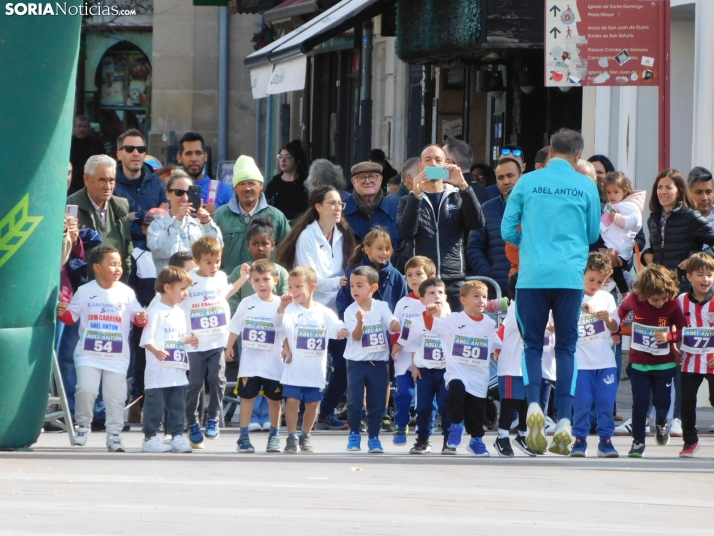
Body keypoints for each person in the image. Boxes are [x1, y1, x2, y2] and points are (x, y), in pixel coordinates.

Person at [501, 128, 601, 455]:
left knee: (532, 344)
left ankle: (532, 407)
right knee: (567, 347)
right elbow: (591, 233)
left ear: (550, 151)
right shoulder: (586, 185)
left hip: (532, 276)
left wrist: (530, 245)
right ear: (577, 156)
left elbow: (506, 229)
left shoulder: (528, 181)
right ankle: (564, 421)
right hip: (570, 277)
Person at [277, 186, 356, 430]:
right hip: (309, 312)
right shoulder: (307, 237)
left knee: (345, 361)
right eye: (332, 203)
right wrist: (339, 282)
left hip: (335, 311)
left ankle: (326, 410)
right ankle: (297, 413)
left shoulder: (343, 234)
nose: (338, 208)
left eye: (340, 204)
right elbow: (308, 279)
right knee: (303, 361)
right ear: (318, 207)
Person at [56, 245, 146, 452]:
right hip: (88, 354)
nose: (117, 269)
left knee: (115, 395)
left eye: (119, 264)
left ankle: (113, 435)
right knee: (86, 389)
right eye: (112, 264)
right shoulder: (85, 291)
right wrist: (62, 312)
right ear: (97, 267)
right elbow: (71, 318)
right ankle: (83, 427)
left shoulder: (127, 292)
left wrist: (141, 318)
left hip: (117, 356)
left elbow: (138, 317)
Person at [397, 144, 485, 312]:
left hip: (453, 278)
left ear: (446, 165)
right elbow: (406, 233)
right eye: (428, 160)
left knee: (456, 331)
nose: (434, 164)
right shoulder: (408, 200)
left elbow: (477, 223)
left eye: (438, 160)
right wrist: (416, 196)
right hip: (422, 280)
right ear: (420, 166)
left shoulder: (457, 196)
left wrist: (464, 186)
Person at [336, 227, 408, 431]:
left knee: (382, 377)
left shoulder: (395, 275)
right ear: (366, 249)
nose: (384, 252)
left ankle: (382, 412)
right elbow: (343, 302)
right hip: (359, 336)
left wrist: (395, 328)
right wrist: (348, 323)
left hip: (383, 337)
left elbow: (400, 304)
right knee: (361, 380)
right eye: (379, 248)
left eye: (387, 248)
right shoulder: (354, 274)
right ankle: (364, 414)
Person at [422, 280, 501, 457]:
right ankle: (456, 425)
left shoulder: (488, 323)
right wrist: (428, 314)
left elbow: (496, 341)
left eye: (484, 297)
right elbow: (432, 326)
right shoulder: (454, 320)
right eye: (476, 296)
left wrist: (499, 350)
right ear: (463, 300)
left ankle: (476, 441)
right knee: (456, 391)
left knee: (476, 411)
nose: (481, 300)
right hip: (457, 372)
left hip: (479, 376)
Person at [275, 266, 349, 453]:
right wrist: (282, 308)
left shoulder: (323, 312)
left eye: (298, 287)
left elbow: (336, 325)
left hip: (314, 369)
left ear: (312, 287)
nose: (293, 292)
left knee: (312, 404)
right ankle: (291, 436)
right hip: (294, 368)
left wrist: (342, 330)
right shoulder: (290, 309)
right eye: (290, 287)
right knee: (291, 402)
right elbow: (278, 326)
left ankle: (305, 435)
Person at [182, 237, 246, 449]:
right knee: (195, 383)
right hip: (195, 342)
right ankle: (191, 422)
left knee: (217, 378)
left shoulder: (220, 276)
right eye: (208, 262)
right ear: (197, 261)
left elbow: (225, 293)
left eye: (217, 261)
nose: (214, 266)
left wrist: (243, 279)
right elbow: (176, 299)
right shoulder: (188, 279)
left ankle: (213, 417)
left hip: (217, 338)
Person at [618, 264, 685, 458]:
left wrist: (670, 338)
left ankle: (662, 422)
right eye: (655, 299)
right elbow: (620, 314)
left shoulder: (672, 304)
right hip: (639, 363)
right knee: (639, 402)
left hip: (664, 364)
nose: (660, 303)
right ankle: (638, 441)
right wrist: (615, 331)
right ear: (644, 293)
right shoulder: (633, 299)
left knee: (662, 401)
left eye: (664, 298)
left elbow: (683, 329)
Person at [226, 259, 286, 454]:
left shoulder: (281, 303)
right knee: (247, 398)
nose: (262, 284)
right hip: (250, 363)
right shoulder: (247, 303)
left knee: (274, 400)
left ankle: (274, 435)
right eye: (257, 280)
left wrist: (287, 348)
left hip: (273, 363)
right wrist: (229, 347)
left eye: (266, 279)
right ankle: (243, 436)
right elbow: (235, 325)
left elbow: (285, 330)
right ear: (250, 282)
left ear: (275, 280)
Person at [139, 266, 196, 453]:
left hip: (177, 370)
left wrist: (189, 339)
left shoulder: (179, 312)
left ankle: (177, 436)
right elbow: (147, 339)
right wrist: (156, 351)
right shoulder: (156, 311)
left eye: (187, 289)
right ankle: (150, 437)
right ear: (168, 287)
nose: (185, 293)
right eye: (182, 288)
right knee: (155, 404)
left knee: (177, 405)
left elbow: (177, 336)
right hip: (159, 371)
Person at [344, 265, 400, 453]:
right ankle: (354, 434)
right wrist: (360, 321)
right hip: (356, 363)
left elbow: (391, 321)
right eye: (352, 286)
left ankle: (374, 437)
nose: (354, 290)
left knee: (377, 402)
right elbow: (357, 336)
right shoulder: (350, 311)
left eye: (359, 285)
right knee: (355, 400)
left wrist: (395, 323)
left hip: (378, 363)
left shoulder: (381, 306)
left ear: (373, 288)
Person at [570, 253, 620, 458]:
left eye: (600, 281)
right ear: (582, 274)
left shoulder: (607, 298)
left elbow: (615, 327)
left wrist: (607, 319)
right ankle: (580, 440)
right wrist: (578, 309)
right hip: (581, 362)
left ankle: (605, 441)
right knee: (582, 403)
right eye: (591, 279)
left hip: (605, 361)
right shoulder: (572, 296)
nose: (595, 285)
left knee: (606, 403)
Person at [213, 155, 290, 278]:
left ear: (261, 186)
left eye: (251, 183)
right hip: (231, 287)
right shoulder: (220, 216)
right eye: (241, 183)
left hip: (267, 288)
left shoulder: (277, 217)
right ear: (235, 187)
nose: (247, 188)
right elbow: (210, 252)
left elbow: (288, 253)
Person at [390, 256, 439, 445]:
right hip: (405, 357)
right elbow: (396, 326)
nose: (413, 278)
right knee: (404, 393)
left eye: (418, 274)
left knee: (428, 397)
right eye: (409, 275)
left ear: (431, 276)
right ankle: (401, 424)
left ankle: (426, 429)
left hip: (429, 358)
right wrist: (396, 342)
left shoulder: (438, 301)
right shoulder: (403, 302)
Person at [641, 169, 714, 292]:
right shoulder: (653, 220)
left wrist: (695, 259)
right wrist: (645, 255)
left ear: (679, 191)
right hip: (660, 290)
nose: (663, 192)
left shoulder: (690, 216)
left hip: (684, 289)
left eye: (668, 187)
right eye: (660, 187)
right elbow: (660, 248)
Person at [493, 272, 540, 457]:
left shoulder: (526, 308)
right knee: (510, 402)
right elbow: (503, 332)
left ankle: (522, 435)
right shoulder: (516, 309)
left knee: (526, 402)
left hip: (526, 365)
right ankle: (502, 436)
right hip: (511, 365)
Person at [402, 278, 451, 454]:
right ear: (422, 300)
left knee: (446, 406)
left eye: (440, 293)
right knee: (423, 407)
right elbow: (411, 344)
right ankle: (423, 440)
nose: (436, 296)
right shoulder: (416, 321)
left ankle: (448, 440)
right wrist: (415, 365)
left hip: (447, 371)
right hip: (425, 370)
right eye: (431, 293)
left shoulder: (454, 320)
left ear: (445, 296)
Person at [147, 169, 222, 273]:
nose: (185, 198)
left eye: (190, 193)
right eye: (179, 192)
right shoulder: (157, 224)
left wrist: (207, 223)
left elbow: (216, 250)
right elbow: (161, 252)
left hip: (196, 286)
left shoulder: (198, 224)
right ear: (168, 195)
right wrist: (177, 221)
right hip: (169, 286)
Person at [467, 157, 522, 298]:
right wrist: (489, 275)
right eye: (500, 178)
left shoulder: (536, 208)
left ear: (521, 176)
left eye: (510, 176)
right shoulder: (486, 209)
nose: (506, 181)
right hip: (498, 290)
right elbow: (473, 247)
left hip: (531, 285)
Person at [677, 252, 714, 457]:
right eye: (700, 274)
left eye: (710, 274)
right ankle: (690, 441)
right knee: (687, 400)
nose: (705, 279)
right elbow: (672, 323)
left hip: (712, 359)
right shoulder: (681, 300)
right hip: (689, 361)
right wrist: (673, 348)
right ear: (689, 276)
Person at [112, 129, 168, 249]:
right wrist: (152, 215)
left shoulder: (160, 185)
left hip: (155, 254)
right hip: (123, 253)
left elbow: (166, 222)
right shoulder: (111, 186)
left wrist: (134, 216)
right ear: (119, 154)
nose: (136, 153)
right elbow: (114, 224)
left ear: (144, 154)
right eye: (129, 149)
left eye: (140, 149)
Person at [600, 172, 646, 294]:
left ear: (625, 191)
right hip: (608, 246)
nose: (612, 196)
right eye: (609, 192)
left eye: (616, 192)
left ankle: (625, 292)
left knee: (618, 270)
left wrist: (617, 218)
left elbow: (635, 223)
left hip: (622, 248)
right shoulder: (609, 206)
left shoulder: (630, 206)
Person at [343, 162, 400, 251]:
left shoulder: (394, 209)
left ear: (381, 180)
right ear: (353, 182)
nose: (367, 181)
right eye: (361, 177)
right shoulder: (341, 209)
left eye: (372, 176)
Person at [176, 132, 233, 215]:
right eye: (188, 154)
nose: (194, 159)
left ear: (205, 156)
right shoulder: (170, 190)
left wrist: (219, 215)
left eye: (198, 153)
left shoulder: (223, 190)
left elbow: (236, 223)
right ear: (179, 157)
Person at [266, 140, 310, 221]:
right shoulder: (273, 185)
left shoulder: (306, 185)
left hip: (301, 229)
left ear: (297, 161)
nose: (283, 160)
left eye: (288, 157)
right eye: (280, 156)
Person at [444, 137, 491, 204]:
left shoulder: (451, 193)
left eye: (439, 160)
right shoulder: (484, 191)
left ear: (449, 163)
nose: (436, 165)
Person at [69, 115, 105, 194]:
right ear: (74, 128)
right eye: (79, 126)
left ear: (89, 128)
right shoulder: (68, 144)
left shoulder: (96, 144)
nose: (82, 129)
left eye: (84, 126)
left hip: (92, 186)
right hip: (72, 187)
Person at [687, 167, 714, 252]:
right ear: (688, 194)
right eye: (699, 192)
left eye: (708, 192)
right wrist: (647, 253)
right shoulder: (679, 219)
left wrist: (701, 257)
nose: (705, 198)